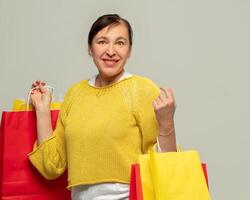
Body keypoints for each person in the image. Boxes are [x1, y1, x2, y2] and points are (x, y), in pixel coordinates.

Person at [28, 14, 177, 200]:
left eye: (120, 43)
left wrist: (166, 123)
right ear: (90, 48)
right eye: (102, 42)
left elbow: (167, 166)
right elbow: (51, 166)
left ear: (129, 50)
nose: (111, 51)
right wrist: (42, 111)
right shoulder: (75, 93)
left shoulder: (142, 90)